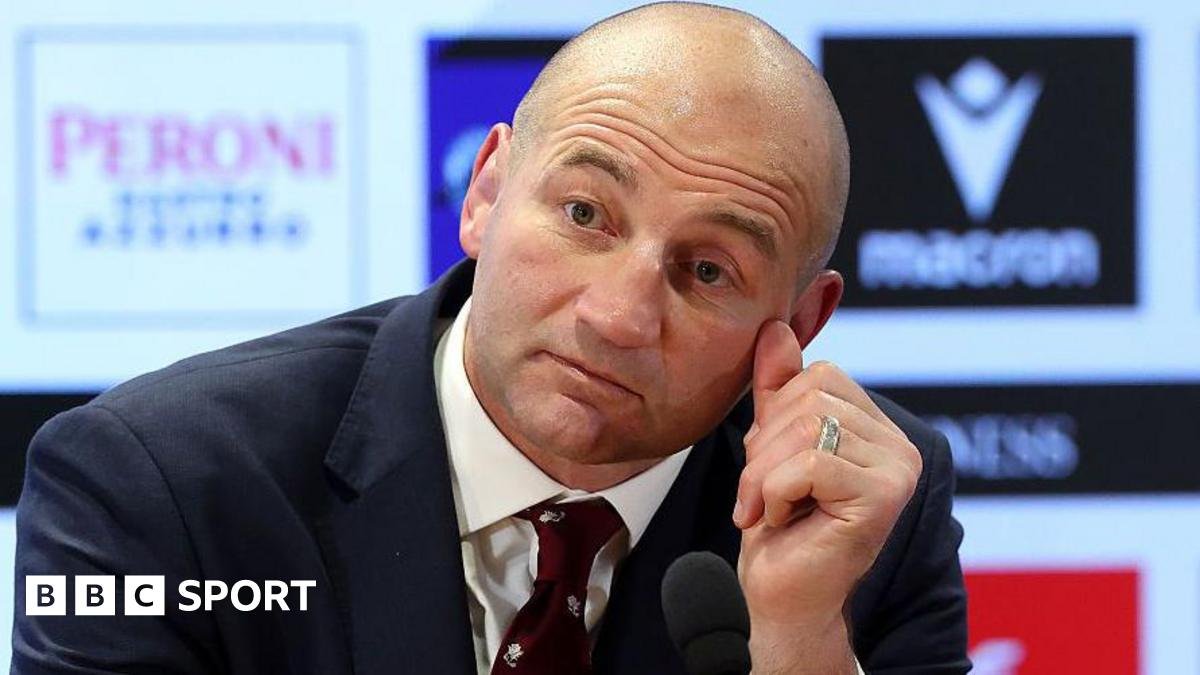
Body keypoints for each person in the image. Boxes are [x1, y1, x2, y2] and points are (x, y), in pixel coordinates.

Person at [12, 3, 969, 674]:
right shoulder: (159, 484)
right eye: (585, 213)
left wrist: (800, 644)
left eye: (708, 270)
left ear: (799, 324)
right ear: (485, 192)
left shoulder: (864, 516)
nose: (617, 317)